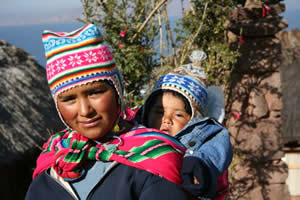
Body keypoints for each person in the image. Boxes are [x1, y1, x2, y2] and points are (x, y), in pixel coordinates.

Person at [25, 24, 190, 200]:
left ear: (117, 91)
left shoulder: (155, 159)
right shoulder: (53, 160)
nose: (85, 111)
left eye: (95, 92)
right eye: (69, 99)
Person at [138, 50, 233, 199]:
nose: (166, 119)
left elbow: (217, 147)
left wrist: (199, 164)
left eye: (178, 115)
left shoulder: (206, 134)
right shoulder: (136, 135)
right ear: (146, 114)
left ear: (194, 121)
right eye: (159, 112)